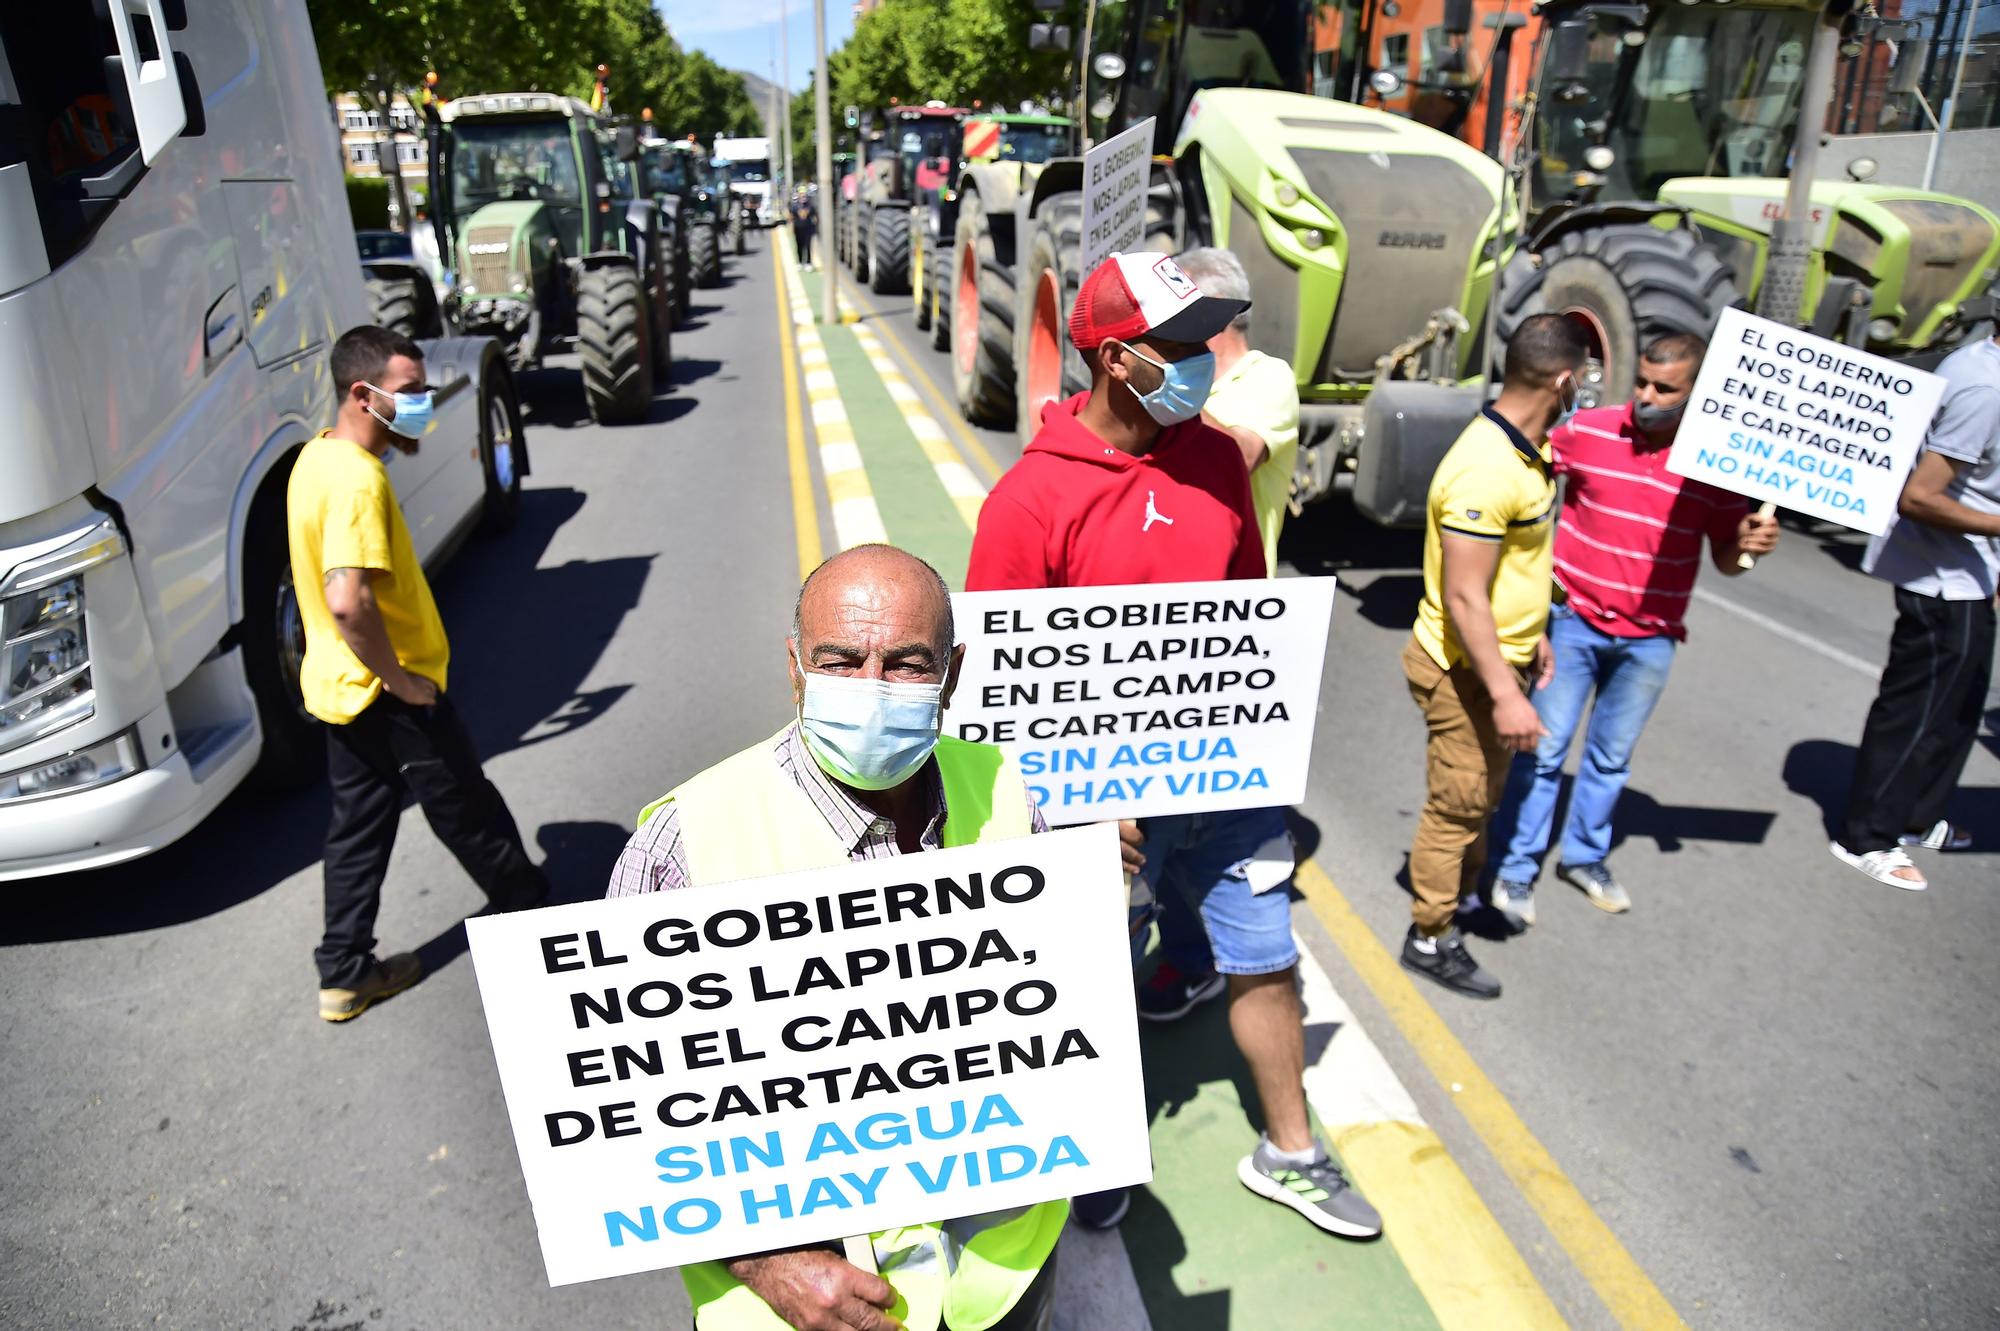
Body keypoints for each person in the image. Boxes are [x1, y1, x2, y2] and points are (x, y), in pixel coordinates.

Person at [967, 252, 1381, 1241]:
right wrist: (1079, 797)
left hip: (1224, 782)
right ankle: (1094, 1146)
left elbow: (1241, 611)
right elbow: (1000, 690)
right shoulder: (1028, 503)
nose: (1207, 358)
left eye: (1208, 336)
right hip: (1101, 812)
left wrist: (1261, 723)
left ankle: (1291, 1149)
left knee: (1265, 955)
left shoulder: (1209, 458)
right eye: (1183, 343)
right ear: (1115, 360)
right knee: (1093, 982)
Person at [606, 544, 1063, 1331]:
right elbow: (617, 1107)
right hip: (798, 1310)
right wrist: (763, 1261)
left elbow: (1065, 1012)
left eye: (908, 664)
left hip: (1000, 1290)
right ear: (795, 668)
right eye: (841, 661)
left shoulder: (1009, 792)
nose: (872, 690)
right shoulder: (683, 846)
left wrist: (1107, 883)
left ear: (952, 673)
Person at [288, 326, 548, 1022]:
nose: (422, 406)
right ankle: (538, 920)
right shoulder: (355, 480)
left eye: (423, 389)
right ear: (360, 394)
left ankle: (344, 972)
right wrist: (405, 684)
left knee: (357, 832)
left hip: (342, 689)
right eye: (407, 393)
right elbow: (348, 599)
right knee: (469, 809)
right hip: (388, 690)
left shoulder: (313, 459)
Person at [1485, 334, 1779, 927]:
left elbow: (1726, 555)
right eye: (1642, 381)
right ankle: (1515, 868)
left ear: (1698, 393)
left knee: (1610, 760)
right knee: (1541, 753)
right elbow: (1518, 478)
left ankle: (1585, 857)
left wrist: (1751, 545)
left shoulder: (1718, 462)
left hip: (1652, 639)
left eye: (1664, 388)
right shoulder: (1587, 431)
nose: (1645, 395)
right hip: (1571, 625)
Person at [1400, 314, 1585, 1000]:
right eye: (1582, 378)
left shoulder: (1524, 449)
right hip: (1465, 673)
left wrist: (1531, 632)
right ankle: (1429, 933)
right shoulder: (1486, 469)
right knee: (1457, 805)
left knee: (1482, 798)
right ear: (1564, 379)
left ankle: (1463, 896)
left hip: (1498, 666)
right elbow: (1466, 597)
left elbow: (1514, 563)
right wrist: (1506, 693)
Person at [1831, 333, 2000, 890]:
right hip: (1940, 577)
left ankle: (1913, 817)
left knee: (1958, 706)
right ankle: (1865, 836)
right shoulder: (1985, 387)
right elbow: (1921, 497)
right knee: (1917, 708)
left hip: (1973, 574)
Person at [1175, 246, 1300, 577]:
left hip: (1235, 590)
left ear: (1211, 309)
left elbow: (1241, 457)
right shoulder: (1176, 377)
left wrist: (1173, 391)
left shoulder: (1269, 376)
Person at [792, 190, 817, 269]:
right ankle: (799, 262)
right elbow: (791, 217)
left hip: (808, 229)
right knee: (799, 246)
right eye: (801, 195)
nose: (803, 197)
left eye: (804, 195)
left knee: (808, 246)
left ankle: (808, 262)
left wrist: (814, 228)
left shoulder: (810, 206)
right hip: (798, 228)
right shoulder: (795, 206)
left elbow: (815, 217)